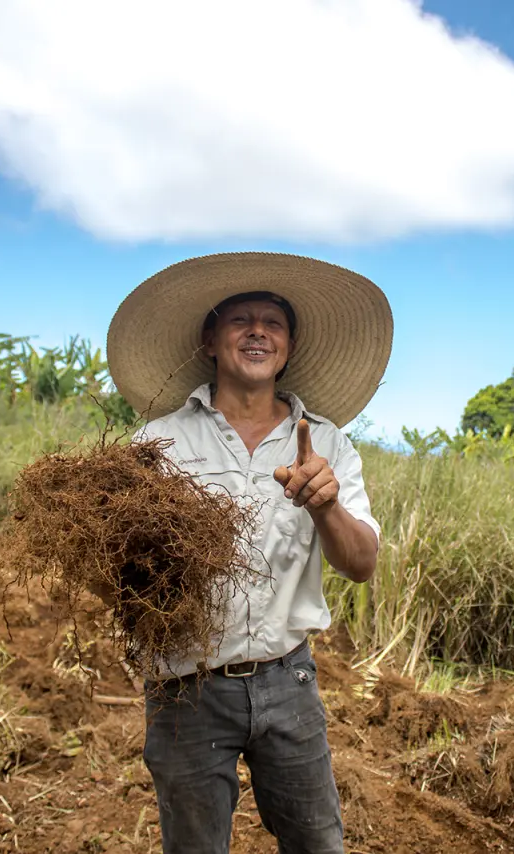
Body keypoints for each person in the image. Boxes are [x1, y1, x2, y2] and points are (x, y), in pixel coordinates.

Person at [106, 252, 393, 854]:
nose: (257, 332)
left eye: (273, 323)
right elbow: (118, 568)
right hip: (185, 688)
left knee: (318, 843)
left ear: (289, 347)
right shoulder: (158, 442)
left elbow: (362, 564)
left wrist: (324, 505)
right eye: (240, 320)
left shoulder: (326, 443)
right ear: (210, 340)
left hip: (288, 680)